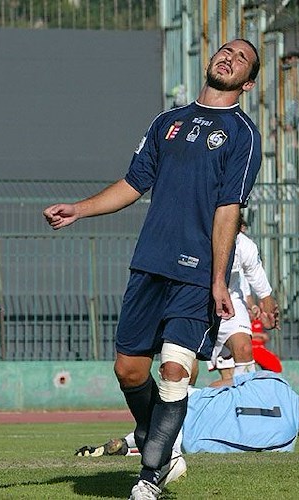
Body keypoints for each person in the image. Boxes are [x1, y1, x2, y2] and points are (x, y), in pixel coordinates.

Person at [43, 38, 262, 499]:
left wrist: (218, 278)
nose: (229, 58)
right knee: (128, 371)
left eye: (241, 58)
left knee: (175, 370)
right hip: (149, 264)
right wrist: (79, 210)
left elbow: (229, 208)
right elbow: (132, 184)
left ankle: (149, 477)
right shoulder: (168, 122)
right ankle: (159, 443)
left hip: (195, 273)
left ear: (249, 81)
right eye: (225, 51)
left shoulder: (243, 133)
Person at [75, 371, 299, 465]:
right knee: (171, 445)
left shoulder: (276, 381)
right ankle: (131, 447)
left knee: (167, 415)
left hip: (189, 402)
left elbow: (226, 383)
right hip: (191, 443)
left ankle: (128, 442)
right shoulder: (284, 447)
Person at [205, 218, 278, 383]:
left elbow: (255, 274)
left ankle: (245, 402)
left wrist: (267, 304)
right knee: (184, 368)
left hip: (230, 300)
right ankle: (185, 406)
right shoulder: (196, 237)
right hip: (193, 299)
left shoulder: (245, 246)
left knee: (244, 349)